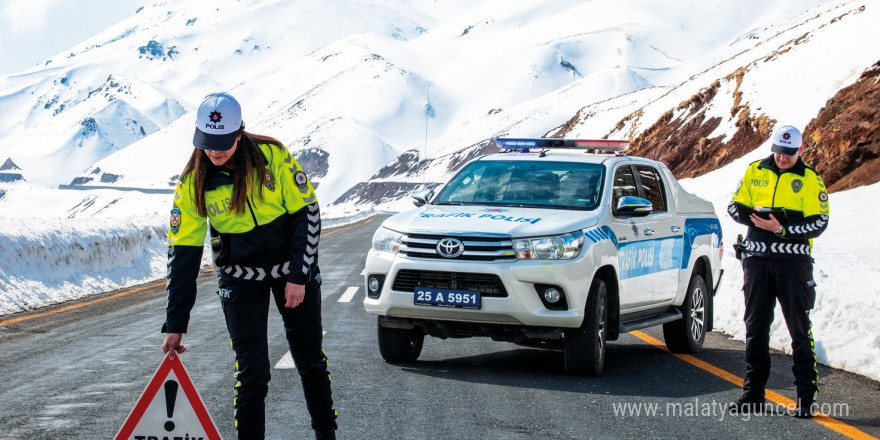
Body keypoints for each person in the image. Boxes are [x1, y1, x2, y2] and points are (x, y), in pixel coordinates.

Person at [161, 92, 338, 439]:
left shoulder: (272, 156)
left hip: (292, 270)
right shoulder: (192, 182)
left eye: (223, 143)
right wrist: (175, 323)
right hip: (239, 279)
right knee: (252, 374)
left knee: (310, 361)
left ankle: (326, 436)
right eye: (207, 143)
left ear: (239, 132)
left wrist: (299, 276)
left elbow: (308, 215)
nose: (214, 151)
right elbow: (183, 254)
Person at [727, 125, 830, 418]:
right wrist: (755, 218)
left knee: (799, 329)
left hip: (793, 266)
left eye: (789, 153)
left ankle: (806, 399)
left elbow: (819, 222)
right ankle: (753, 394)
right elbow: (734, 206)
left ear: (800, 150)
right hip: (757, 261)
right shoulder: (755, 170)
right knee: (755, 328)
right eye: (779, 151)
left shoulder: (810, 179)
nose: (782, 158)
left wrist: (782, 229)